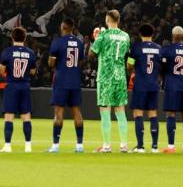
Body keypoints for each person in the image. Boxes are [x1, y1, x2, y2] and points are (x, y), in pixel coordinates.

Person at [90, 10, 130, 153]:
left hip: (106, 76)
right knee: (120, 110)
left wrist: (96, 38)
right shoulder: (126, 36)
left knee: (105, 110)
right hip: (120, 76)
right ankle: (124, 145)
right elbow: (126, 55)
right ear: (118, 20)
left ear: (107, 19)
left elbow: (91, 54)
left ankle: (106, 145)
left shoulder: (103, 35)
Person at [47, 18, 86, 153]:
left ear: (63, 27)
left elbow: (51, 64)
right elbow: (81, 61)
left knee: (59, 113)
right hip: (75, 81)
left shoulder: (57, 43)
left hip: (61, 81)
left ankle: (56, 145)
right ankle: (80, 145)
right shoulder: (80, 43)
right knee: (77, 112)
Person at [0, 26, 36, 153]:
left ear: (12, 37)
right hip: (24, 85)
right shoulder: (30, 53)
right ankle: (28, 146)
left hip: (12, 85)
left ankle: (8, 146)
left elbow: (1, 70)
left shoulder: (7, 52)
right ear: (25, 38)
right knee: (26, 116)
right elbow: (33, 71)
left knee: (9, 116)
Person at [160, 25, 183, 153]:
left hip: (172, 84)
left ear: (173, 36)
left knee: (171, 114)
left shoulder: (167, 50)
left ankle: (171, 147)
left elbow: (162, 68)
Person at [128, 23, 161, 153]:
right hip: (153, 84)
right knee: (153, 113)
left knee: (138, 113)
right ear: (152, 34)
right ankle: (154, 146)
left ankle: (140, 146)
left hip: (140, 84)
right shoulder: (158, 48)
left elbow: (129, 65)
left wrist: (133, 69)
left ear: (140, 34)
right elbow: (161, 66)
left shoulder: (136, 47)